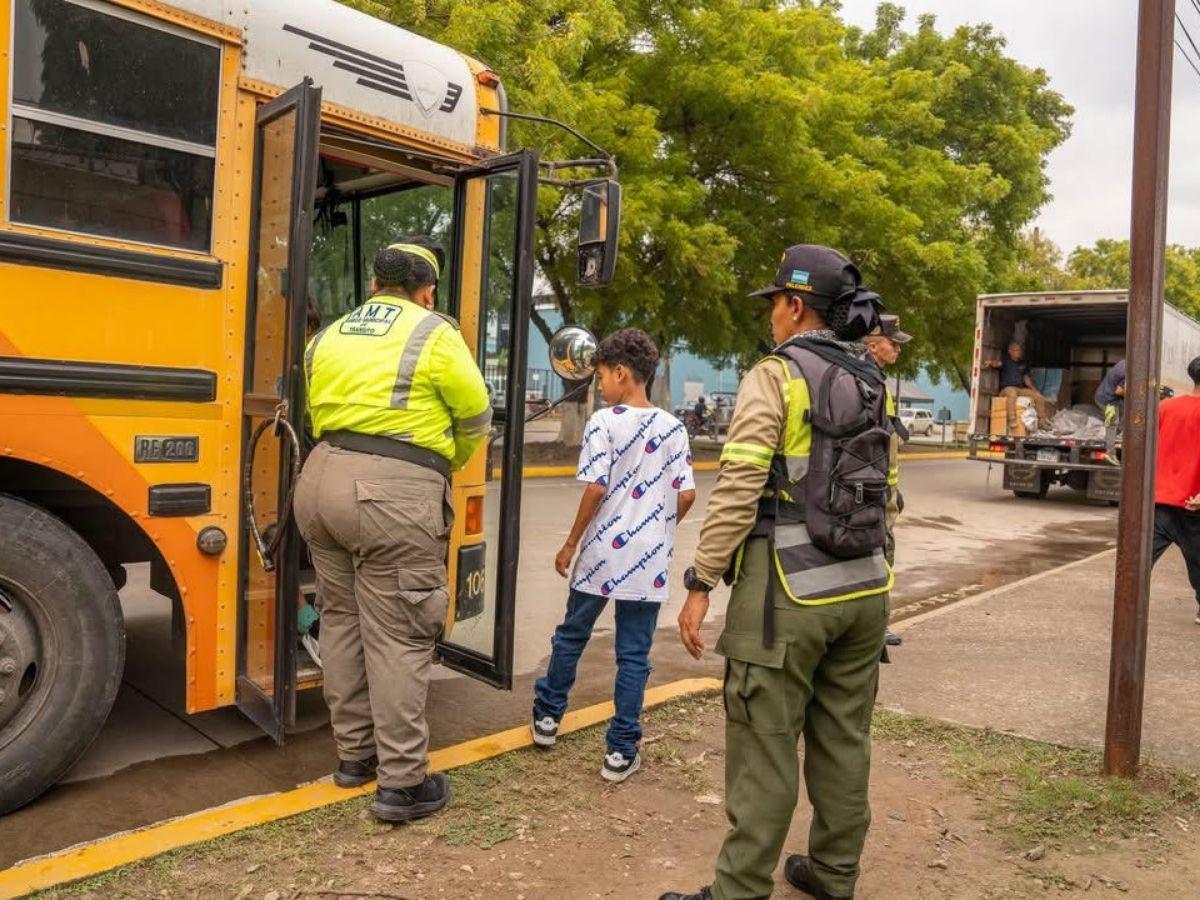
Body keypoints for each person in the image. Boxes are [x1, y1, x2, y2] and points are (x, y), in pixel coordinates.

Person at [662, 244, 890, 900]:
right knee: (845, 738)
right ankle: (833, 874)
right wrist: (880, 582)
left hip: (788, 596)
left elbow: (738, 485)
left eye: (775, 305)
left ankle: (738, 891)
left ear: (796, 306)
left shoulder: (779, 374)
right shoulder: (872, 375)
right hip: (865, 591)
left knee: (764, 745)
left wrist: (702, 582)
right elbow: (888, 488)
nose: (771, 318)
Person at [293, 239, 491, 823]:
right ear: (427, 291)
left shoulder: (328, 334)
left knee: (341, 621)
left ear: (375, 284)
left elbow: (316, 409)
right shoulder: (434, 332)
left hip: (319, 478)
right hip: (391, 493)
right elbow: (477, 414)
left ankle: (355, 758)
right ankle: (403, 783)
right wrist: (444, 461)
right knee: (401, 632)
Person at [532, 328, 696, 782]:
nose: (600, 385)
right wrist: (659, 530)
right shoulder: (674, 427)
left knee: (572, 635)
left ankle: (548, 715)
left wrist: (570, 543)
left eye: (602, 376)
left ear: (622, 374)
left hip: (603, 553)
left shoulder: (604, 422)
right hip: (649, 558)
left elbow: (597, 487)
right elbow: (686, 496)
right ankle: (621, 750)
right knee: (633, 654)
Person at [864, 314, 912, 650]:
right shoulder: (865, 380)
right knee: (877, 560)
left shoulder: (876, 380)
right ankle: (872, 628)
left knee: (883, 560)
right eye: (892, 343)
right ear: (872, 345)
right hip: (873, 495)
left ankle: (876, 624)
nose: (898, 349)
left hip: (884, 493)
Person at [1151, 355, 1200, 623]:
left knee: (1139, 562)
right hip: (1194, 504)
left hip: (1160, 500)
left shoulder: (1165, 408)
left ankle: (1128, 609)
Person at [985, 342, 1050, 431]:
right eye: (1016, 350)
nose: (1018, 352)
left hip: (1020, 389)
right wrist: (990, 362)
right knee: (1012, 393)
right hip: (1007, 388)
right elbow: (997, 363)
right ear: (1010, 351)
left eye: (1019, 350)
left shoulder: (1022, 364)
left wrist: (1035, 390)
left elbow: (1026, 379)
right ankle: (1012, 420)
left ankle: (1042, 422)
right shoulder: (1005, 361)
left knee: (1039, 397)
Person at [1096, 359, 1127, 457]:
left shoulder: (1124, 362)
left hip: (1108, 397)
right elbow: (1118, 391)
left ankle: (1116, 434)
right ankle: (1110, 453)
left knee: (1126, 410)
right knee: (1112, 423)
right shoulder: (1127, 372)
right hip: (1107, 401)